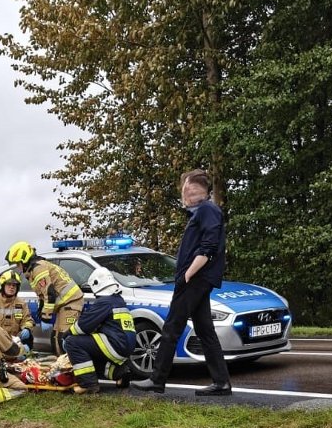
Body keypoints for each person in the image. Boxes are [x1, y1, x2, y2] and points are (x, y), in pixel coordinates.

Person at [133, 169, 232, 395]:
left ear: (190, 188)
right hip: (198, 279)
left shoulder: (207, 209)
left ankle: (157, 380)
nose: (182, 193)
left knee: (171, 327)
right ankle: (221, 383)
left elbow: (208, 246)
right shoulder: (204, 211)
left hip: (195, 279)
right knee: (205, 330)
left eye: (184, 188)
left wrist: (188, 273)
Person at [4, 241, 83, 354]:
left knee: (63, 338)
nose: (18, 267)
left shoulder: (38, 269)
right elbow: (43, 294)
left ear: (24, 259)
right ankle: (60, 365)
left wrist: (46, 317)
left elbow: (50, 293)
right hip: (64, 304)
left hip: (71, 302)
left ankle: (68, 367)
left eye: (18, 263)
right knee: (55, 337)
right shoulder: (34, 269)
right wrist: (41, 311)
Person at [64, 267, 135, 394]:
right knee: (88, 355)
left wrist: (67, 334)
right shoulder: (117, 300)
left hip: (116, 345)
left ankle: (88, 384)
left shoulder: (104, 302)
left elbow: (83, 326)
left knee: (72, 343)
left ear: (97, 285)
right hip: (124, 346)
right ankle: (120, 373)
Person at [0, 270, 35, 352]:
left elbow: (27, 320)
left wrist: (27, 328)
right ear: (2, 285)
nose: (12, 287)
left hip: (14, 342)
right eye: (9, 284)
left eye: (14, 285)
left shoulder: (21, 303)